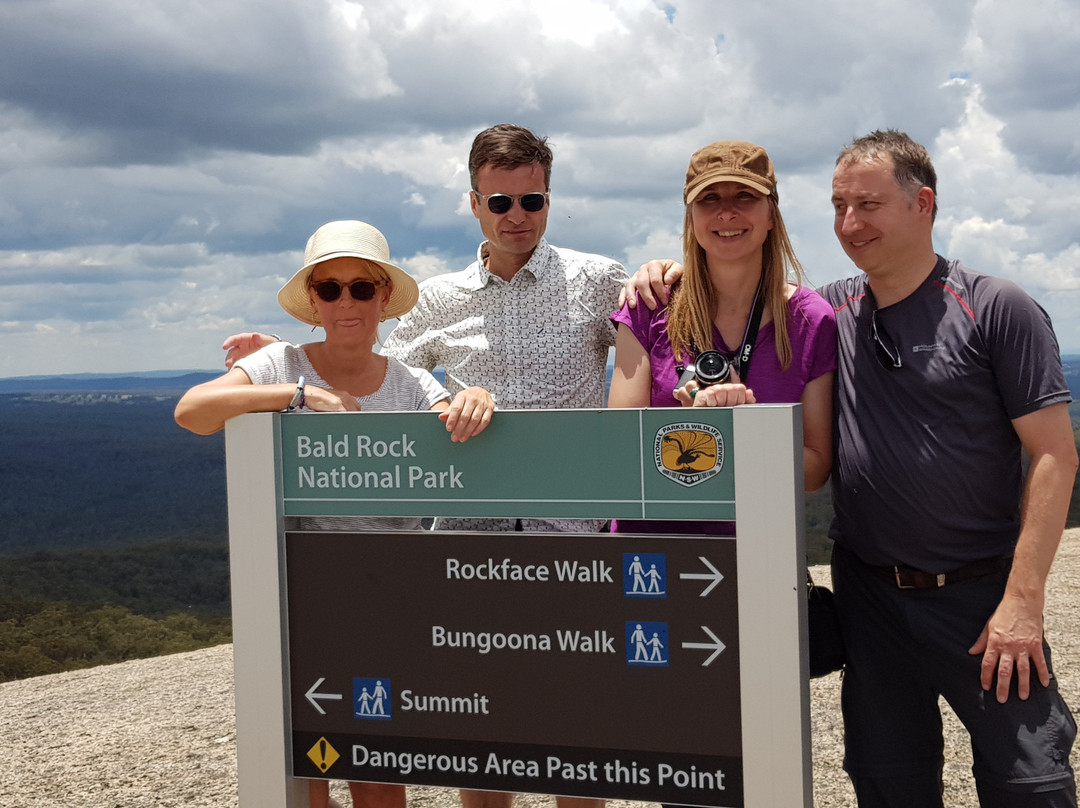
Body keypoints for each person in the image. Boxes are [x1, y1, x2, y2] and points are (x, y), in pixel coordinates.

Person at [623, 130, 1078, 807]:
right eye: (838, 205)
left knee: (1030, 783)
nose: (849, 223)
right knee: (889, 783)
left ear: (923, 204)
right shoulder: (830, 309)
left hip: (981, 592)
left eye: (868, 204)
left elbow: (1054, 454)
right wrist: (664, 270)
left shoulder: (994, 306)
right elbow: (752, 290)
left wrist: (1023, 600)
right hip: (870, 596)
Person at [221, 124, 626, 808]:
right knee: (481, 735)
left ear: (549, 200)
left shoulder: (598, 280)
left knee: (575, 739)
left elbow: (667, 348)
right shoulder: (438, 299)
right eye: (501, 203)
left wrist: (667, 278)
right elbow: (367, 365)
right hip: (467, 539)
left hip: (572, 533)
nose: (517, 217)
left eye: (533, 201)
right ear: (474, 203)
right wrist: (290, 354)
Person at [175, 219, 481, 808]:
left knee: (378, 778)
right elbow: (193, 410)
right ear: (312, 301)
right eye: (330, 288)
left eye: (362, 288)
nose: (347, 302)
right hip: (302, 609)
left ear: (384, 298)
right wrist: (298, 394)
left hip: (391, 608)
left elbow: (456, 432)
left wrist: (476, 397)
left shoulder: (413, 383)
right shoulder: (280, 366)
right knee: (308, 782)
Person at [607, 140, 835, 540]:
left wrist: (744, 426)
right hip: (648, 555)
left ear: (771, 214)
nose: (727, 212)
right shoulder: (649, 305)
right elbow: (619, 452)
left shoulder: (809, 319)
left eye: (745, 196)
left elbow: (815, 471)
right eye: (709, 198)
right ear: (691, 216)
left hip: (761, 552)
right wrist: (691, 425)